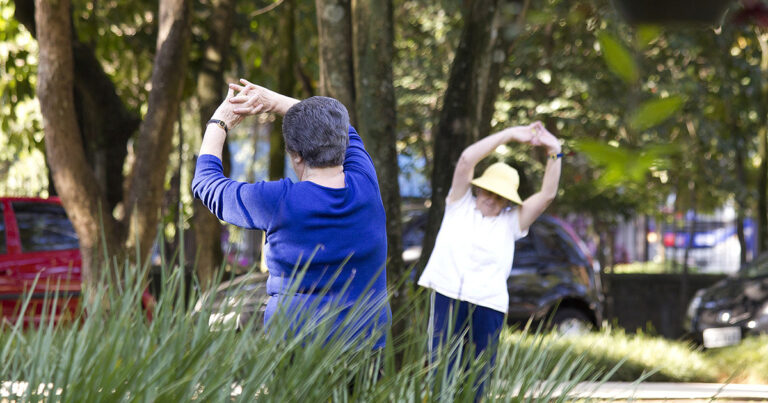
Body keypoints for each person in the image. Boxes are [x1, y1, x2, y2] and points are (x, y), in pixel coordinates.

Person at [192, 79, 391, 349]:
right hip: (368, 349)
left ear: (295, 155)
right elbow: (348, 131)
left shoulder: (278, 202)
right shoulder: (365, 184)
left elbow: (206, 184)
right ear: (342, 145)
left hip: (297, 355)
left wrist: (219, 122)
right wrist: (274, 101)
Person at [417, 121, 562, 390]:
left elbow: (547, 194)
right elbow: (465, 160)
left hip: (488, 306)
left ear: (508, 201)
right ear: (478, 188)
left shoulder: (512, 221)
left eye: (500, 196)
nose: (491, 199)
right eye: (487, 191)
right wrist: (508, 134)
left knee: (478, 381)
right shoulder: (459, 204)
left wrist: (554, 150)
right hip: (447, 297)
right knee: (441, 377)